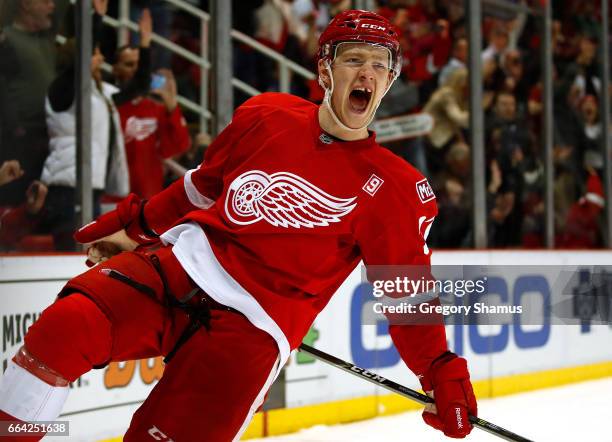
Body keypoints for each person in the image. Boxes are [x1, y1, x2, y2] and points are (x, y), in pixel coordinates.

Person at [0, 10, 477, 441]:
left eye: (379, 65)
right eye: (354, 60)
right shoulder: (265, 114)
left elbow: (406, 294)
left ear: (390, 80)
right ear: (326, 69)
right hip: (180, 269)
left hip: (251, 330)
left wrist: (438, 369)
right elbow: (200, 188)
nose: (367, 74)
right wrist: (137, 225)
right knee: (62, 330)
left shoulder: (394, 187)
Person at [113, 36, 191, 199]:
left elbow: (180, 146)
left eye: (139, 65)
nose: (136, 71)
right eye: (129, 65)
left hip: (148, 199)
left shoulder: (157, 109)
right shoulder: (109, 104)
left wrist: (172, 105)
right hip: (113, 198)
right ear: (115, 69)